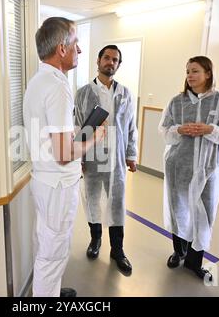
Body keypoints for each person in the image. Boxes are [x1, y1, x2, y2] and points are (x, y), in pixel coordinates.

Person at [23, 17, 106, 297]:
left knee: (48, 246)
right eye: (76, 44)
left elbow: (55, 140)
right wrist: (93, 139)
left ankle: (52, 291)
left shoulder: (38, 81)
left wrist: (76, 142)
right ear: (62, 49)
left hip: (45, 181)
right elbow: (62, 153)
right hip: (57, 185)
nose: (80, 50)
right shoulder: (58, 86)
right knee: (53, 253)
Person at [158, 56, 219, 281]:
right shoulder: (177, 101)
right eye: (187, 72)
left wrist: (210, 129)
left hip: (208, 170)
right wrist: (179, 130)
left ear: (208, 74)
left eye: (195, 71)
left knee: (203, 216)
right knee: (179, 210)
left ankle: (195, 262)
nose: (190, 76)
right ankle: (178, 251)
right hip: (178, 166)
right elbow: (164, 130)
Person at [75, 45, 137, 274]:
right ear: (98, 61)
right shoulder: (83, 93)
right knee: (92, 200)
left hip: (117, 158)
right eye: (107, 58)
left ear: (118, 65)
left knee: (117, 202)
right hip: (92, 157)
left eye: (115, 60)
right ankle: (95, 241)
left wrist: (131, 155)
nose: (110, 62)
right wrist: (79, 157)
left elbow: (132, 127)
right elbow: (78, 127)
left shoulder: (126, 93)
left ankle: (117, 250)